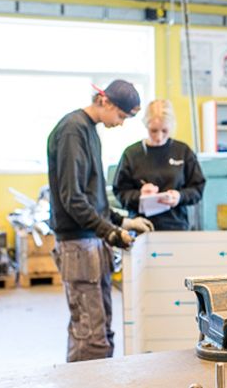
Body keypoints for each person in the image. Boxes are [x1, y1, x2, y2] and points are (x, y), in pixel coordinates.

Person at [47, 79, 154, 362]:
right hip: (78, 245)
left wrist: (121, 221)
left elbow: (92, 196)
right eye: (120, 116)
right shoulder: (72, 131)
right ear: (104, 101)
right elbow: (73, 198)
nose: (120, 124)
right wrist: (110, 232)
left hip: (91, 242)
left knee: (101, 330)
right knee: (91, 336)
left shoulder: (89, 130)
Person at [112, 99, 205, 231]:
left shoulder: (183, 151)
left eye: (164, 131)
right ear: (145, 125)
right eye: (153, 131)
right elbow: (120, 191)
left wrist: (180, 196)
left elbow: (197, 188)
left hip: (176, 226)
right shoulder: (132, 154)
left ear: (171, 126)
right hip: (141, 226)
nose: (159, 137)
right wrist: (140, 195)